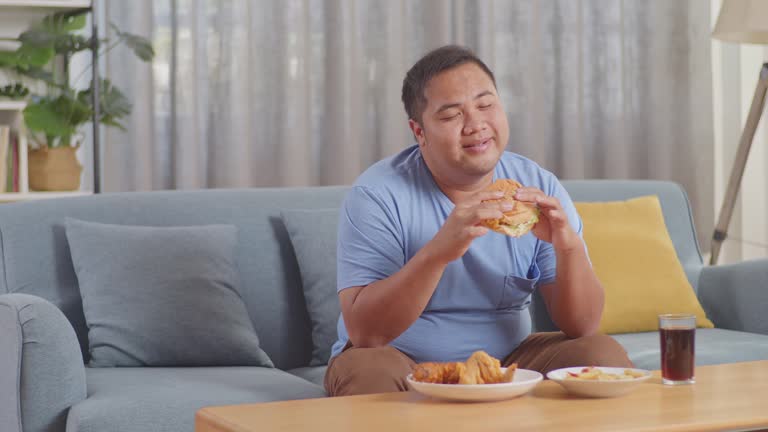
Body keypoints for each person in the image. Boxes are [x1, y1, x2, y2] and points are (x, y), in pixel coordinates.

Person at [324, 45, 633, 396]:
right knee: (369, 370)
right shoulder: (377, 195)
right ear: (419, 131)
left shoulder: (537, 187)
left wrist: (568, 247)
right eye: (452, 115)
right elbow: (366, 334)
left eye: (486, 105)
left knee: (601, 355)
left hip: (507, 360)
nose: (476, 125)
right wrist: (438, 252)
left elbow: (583, 325)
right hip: (400, 358)